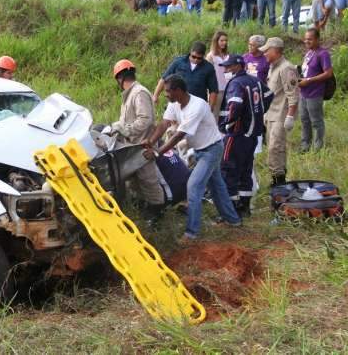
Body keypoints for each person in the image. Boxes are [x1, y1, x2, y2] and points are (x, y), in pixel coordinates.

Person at [143, 75, 241, 243]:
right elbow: (164, 124)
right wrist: (150, 140)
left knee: (193, 186)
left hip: (211, 149)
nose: (165, 94)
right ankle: (233, 220)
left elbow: (178, 135)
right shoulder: (175, 104)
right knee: (216, 185)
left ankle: (191, 234)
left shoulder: (197, 106)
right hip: (201, 149)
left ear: (178, 91)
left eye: (168, 91)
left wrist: (157, 152)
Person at [105, 59, 166, 227]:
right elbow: (127, 120)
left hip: (143, 145)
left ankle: (157, 215)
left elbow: (144, 120)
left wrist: (124, 129)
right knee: (134, 182)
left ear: (119, 78)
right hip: (131, 147)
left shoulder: (139, 93)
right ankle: (143, 210)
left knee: (148, 180)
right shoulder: (129, 94)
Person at [218, 55, 273, 217]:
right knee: (245, 170)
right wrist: (257, 113)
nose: (226, 70)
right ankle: (244, 208)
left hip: (236, 134)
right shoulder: (254, 80)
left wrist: (229, 123)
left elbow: (235, 105)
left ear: (238, 66)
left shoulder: (236, 83)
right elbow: (269, 95)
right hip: (253, 134)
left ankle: (230, 211)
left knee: (228, 169)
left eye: (228, 67)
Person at [261, 37, 299, 185]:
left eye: (267, 51)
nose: (264, 54)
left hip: (281, 115)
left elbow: (293, 94)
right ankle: (277, 178)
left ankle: (279, 180)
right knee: (274, 148)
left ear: (275, 51)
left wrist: (290, 116)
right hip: (271, 112)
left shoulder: (286, 68)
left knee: (275, 147)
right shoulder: (273, 67)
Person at [152, 41, 218, 111]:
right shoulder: (178, 62)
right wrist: (156, 95)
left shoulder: (208, 68)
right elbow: (164, 79)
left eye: (199, 58)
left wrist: (210, 108)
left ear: (203, 56)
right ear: (190, 52)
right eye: (193, 56)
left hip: (197, 105)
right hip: (176, 102)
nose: (196, 60)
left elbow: (213, 90)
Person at [299, 28, 333, 152]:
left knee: (316, 121)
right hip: (303, 92)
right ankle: (305, 146)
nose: (307, 41)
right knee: (304, 120)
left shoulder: (323, 54)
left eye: (310, 39)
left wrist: (308, 81)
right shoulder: (309, 53)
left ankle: (318, 147)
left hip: (315, 93)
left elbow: (328, 73)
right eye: (305, 39)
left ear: (317, 39)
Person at [206, 31, 230, 117]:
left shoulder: (227, 54)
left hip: (228, 88)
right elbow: (207, 74)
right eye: (222, 40)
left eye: (226, 40)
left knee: (226, 115)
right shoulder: (211, 56)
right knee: (214, 115)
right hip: (217, 89)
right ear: (216, 41)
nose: (224, 43)